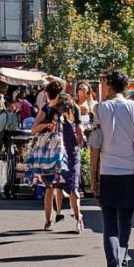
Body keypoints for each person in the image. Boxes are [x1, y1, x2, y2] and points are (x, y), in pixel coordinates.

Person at [88, 71, 134, 267]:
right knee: (125, 224)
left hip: (108, 172)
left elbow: (95, 145)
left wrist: (93, 176)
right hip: (130, 171)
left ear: (110, 86)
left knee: (110, 225)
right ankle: (122, 264)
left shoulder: (100, 109)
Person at [34, 83, 85, 232]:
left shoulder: (71, 108)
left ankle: (77, 218)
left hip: (67, 154)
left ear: (49, 94)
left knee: (70, 187)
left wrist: (79, 135)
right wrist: (47, 125)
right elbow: (34, 129)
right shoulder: (47, 109)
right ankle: (50, 220)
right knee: (53, 187)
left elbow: (78, 127)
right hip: (56, 154)